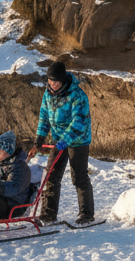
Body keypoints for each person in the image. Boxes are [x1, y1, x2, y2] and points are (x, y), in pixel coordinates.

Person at [27, 61, 95, 225]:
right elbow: (44, 117)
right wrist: (39, 141)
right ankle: (48, 215)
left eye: (56, 82)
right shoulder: (48, 93)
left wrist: (64, 141)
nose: (53, 85)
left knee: (79, 177)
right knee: (50, 175)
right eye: (50, 82)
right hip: (58, 140)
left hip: (78, 140)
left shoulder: (77, 95)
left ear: (63, 80)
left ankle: (86, 214)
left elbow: (79, 123)